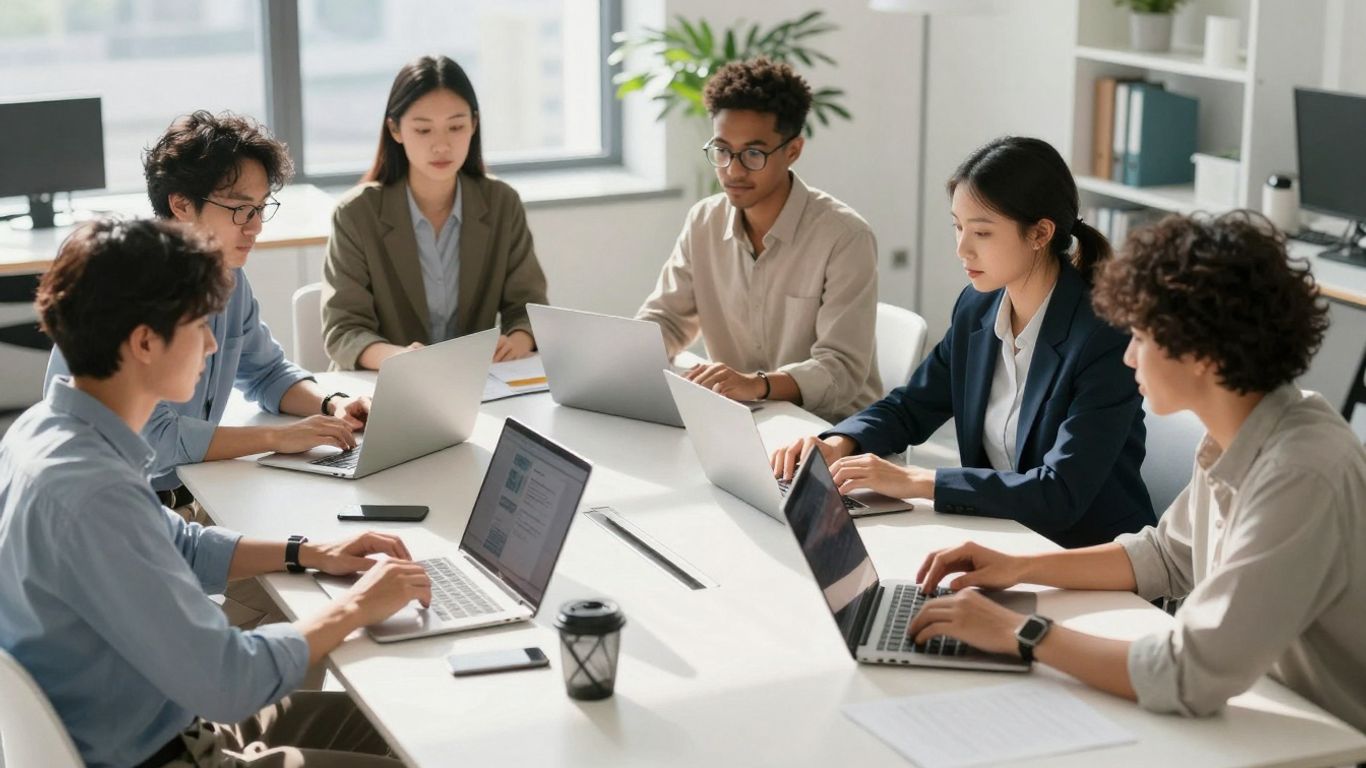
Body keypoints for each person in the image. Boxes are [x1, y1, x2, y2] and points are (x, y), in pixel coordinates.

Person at [906, 211, 1365, 734]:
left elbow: (1186, 673)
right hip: (1263, 717)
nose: (1127, 356)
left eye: (1141, 338)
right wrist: (1018, 566)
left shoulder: (1301, 473)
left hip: (1323, 740)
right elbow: (1168, 557)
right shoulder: (1241, 435)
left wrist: (1022, 633)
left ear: (1202, 355)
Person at [0, 218, 433, 767]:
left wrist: (307, 552)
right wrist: (358, 606)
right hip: (171, 751)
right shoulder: (94, 492)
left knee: (405, 734)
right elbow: (231, 679)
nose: (211, 344)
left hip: (164, 725)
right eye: (200, 325)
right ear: (144, 342)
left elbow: (175, 543)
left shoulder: (43, 432)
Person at [772, 136, 1154, 548]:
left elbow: (1060, 493)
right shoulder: (978, 307)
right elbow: (913, 405)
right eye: (957, 227)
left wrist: (919, 481)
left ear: (1040, 233)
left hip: (1089, 557)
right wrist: (840, 442)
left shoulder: (1104, 337)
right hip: (1002, 536)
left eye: (982, 233)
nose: (961, 249)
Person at [45, 110, 370, 517]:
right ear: (180, 204)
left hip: (194, 500)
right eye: (240, 210)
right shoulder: (130, 289)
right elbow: (155, 439)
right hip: (123, 512)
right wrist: (278, 438)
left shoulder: (228, 278)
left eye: (260, 209)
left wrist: (333, 404)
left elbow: (267, 373)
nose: (255, 228)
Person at [635, 57, 881, 423]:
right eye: (721, 151)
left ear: (793, 150)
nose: (732, 170)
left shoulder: (844, 237)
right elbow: (667, 321)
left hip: (832, 430)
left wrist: (758, 384)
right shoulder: (704, 221)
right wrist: (619, 364)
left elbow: (840, 372)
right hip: (742, 418)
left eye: (753, 153)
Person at [324, 54, 549, 370]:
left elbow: (528, 307)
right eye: (423, 130)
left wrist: (516, 342)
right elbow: (343, 331)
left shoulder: (501, 202)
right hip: (381, 386)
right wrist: (403, 358)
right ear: (395, 129)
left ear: (473, 124)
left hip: (479, 385)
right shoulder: (355, 214)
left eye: (456, 127)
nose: (442, 146)